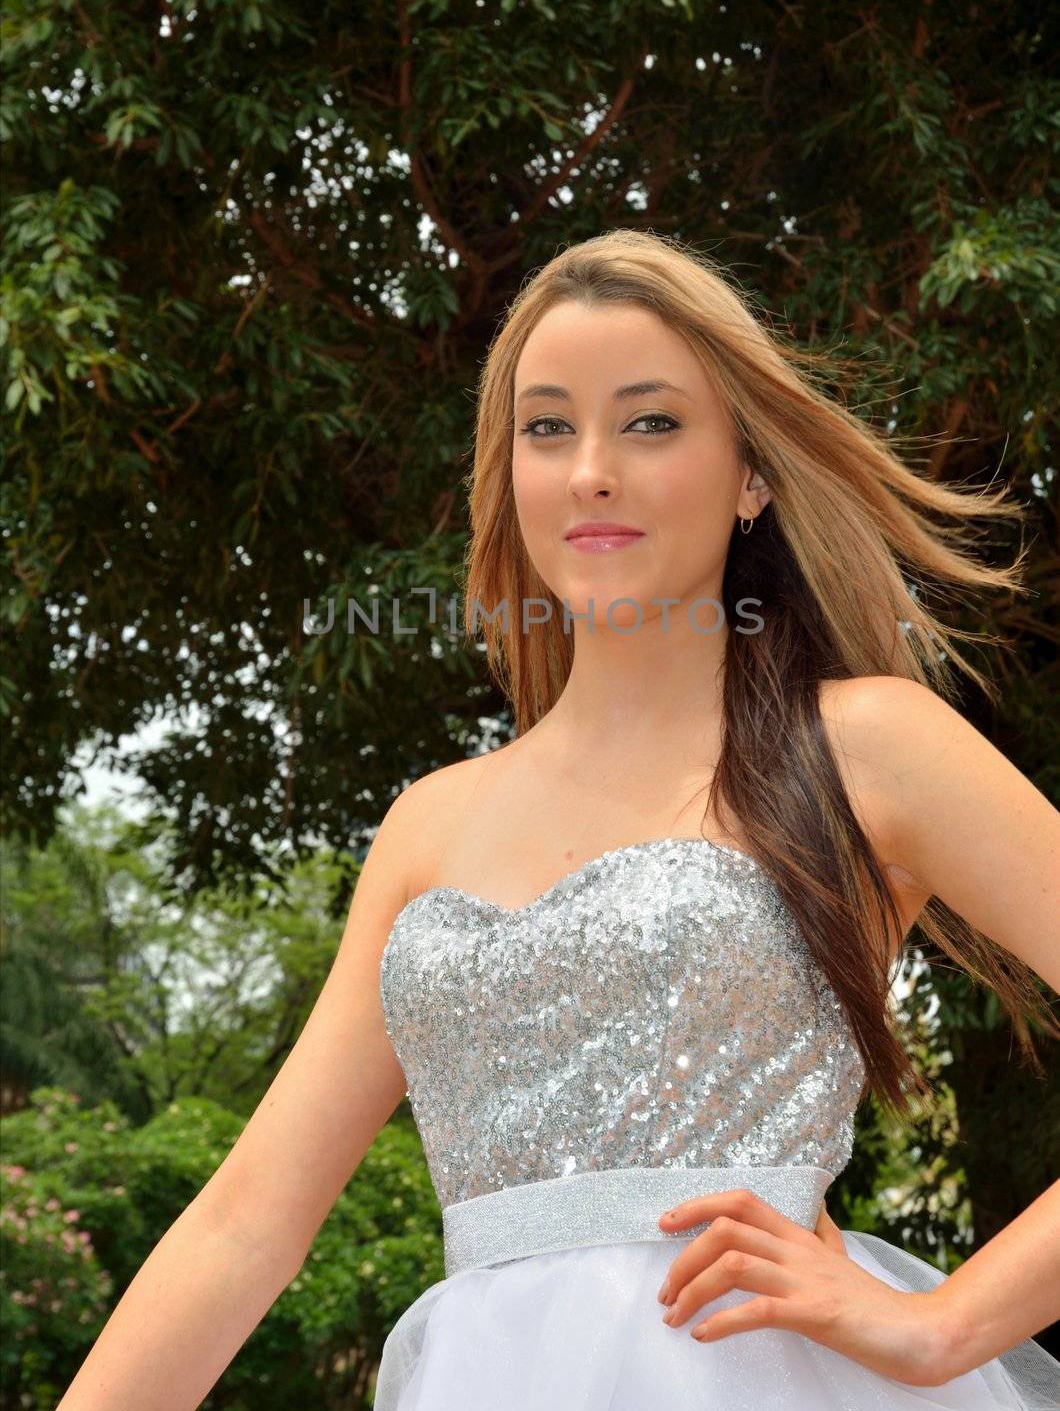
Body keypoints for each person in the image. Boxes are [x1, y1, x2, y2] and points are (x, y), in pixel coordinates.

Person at [59, 230, 1060, 1409]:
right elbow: (245, 1224)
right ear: (510, 473)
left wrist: (943, 1326)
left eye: (649, 422)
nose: (590, 469)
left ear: (752, 475)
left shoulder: (868, 744)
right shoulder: (427, 825)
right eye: (547, 426)